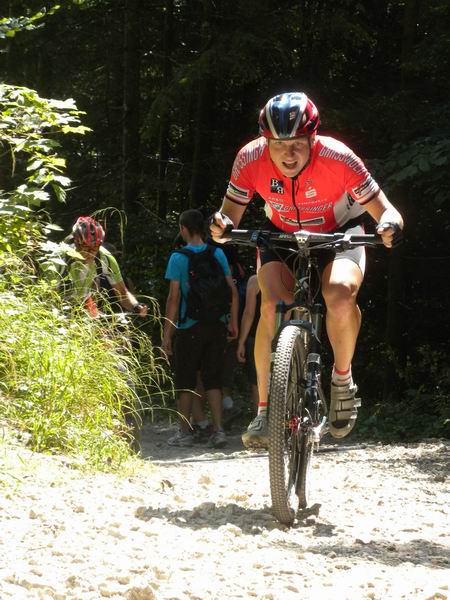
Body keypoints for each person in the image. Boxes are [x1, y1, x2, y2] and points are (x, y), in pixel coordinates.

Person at [210, 91, 403, 448]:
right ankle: (266, 410)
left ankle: (342, 379)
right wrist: (220, 225)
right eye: (279, 145)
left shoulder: (338, 157)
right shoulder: (249, 158)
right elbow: (228, 215)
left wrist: (390, 225)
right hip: (281, 235)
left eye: (298, 143)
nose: (289, 154)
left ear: (313, 138)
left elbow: (387, 210)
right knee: (272, 304)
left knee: (339, 295)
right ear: (265, 141)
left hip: (339, 233)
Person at [161, 209, 239, 448]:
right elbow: (232, 291)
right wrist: (232, 322)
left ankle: (185, 433)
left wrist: (167, 335)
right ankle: (219, 431)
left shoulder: (178, 257)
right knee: (213, 380)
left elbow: (174, 299)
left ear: (183, 229)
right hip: (216, 325)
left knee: (185, 381)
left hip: (189, 327)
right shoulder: (218, 253)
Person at [62, 216, 148, 317]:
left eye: (94, 248)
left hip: (81, 309)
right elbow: (48, 296)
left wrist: (136, 306)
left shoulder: (105, 258)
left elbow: (122, 293)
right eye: (85, 248)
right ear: (76, 243)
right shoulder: (61, 258)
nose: (89, 253)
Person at [236, 274, 261, 415]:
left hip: (257, 337)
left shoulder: (256, 280)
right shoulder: (288, 277)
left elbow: (249, 313)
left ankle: (260, 418)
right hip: (283, 335)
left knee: (256, 381)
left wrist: (241, 342)